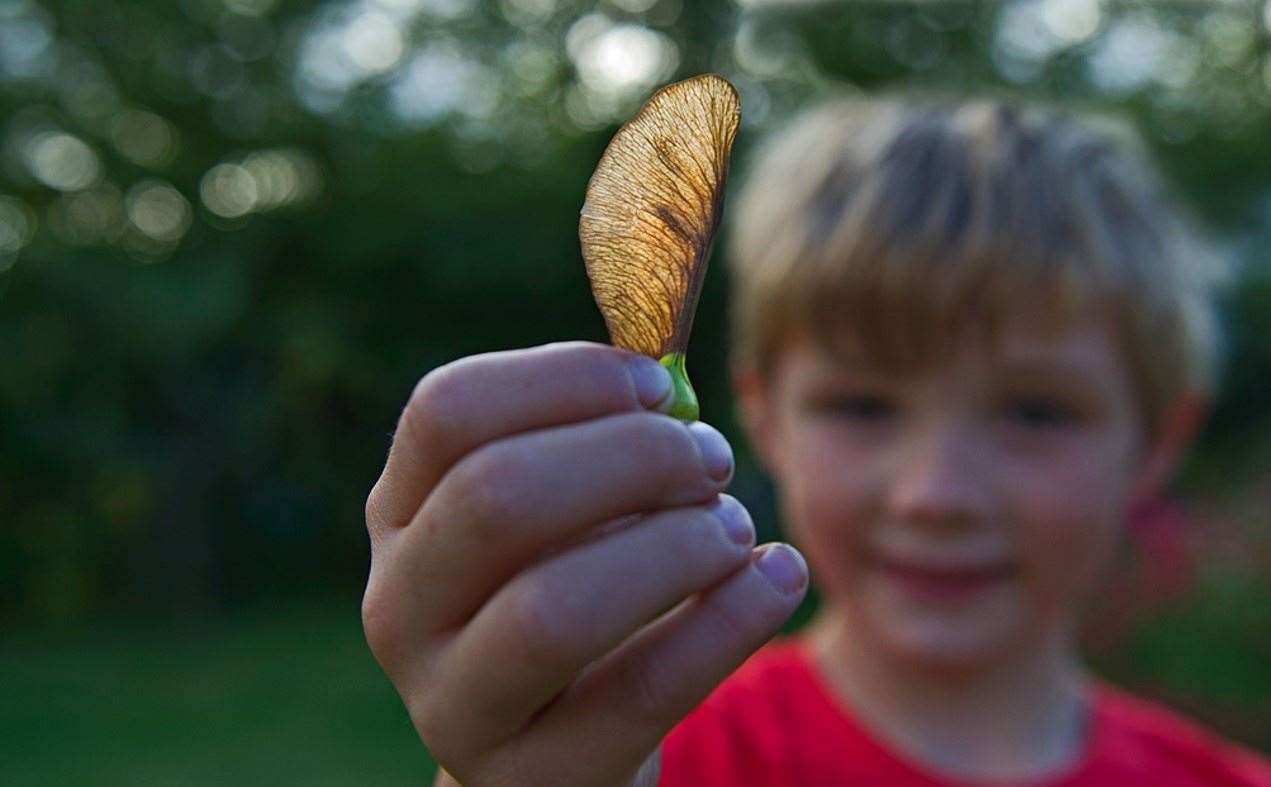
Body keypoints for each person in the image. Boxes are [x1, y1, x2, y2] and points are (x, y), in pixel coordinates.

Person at [360, 93, 1271, 786]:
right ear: (763, 416)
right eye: (862, 406)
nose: (934, 492)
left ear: (1156, 442)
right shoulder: (658, 747)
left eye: (1035, 413)